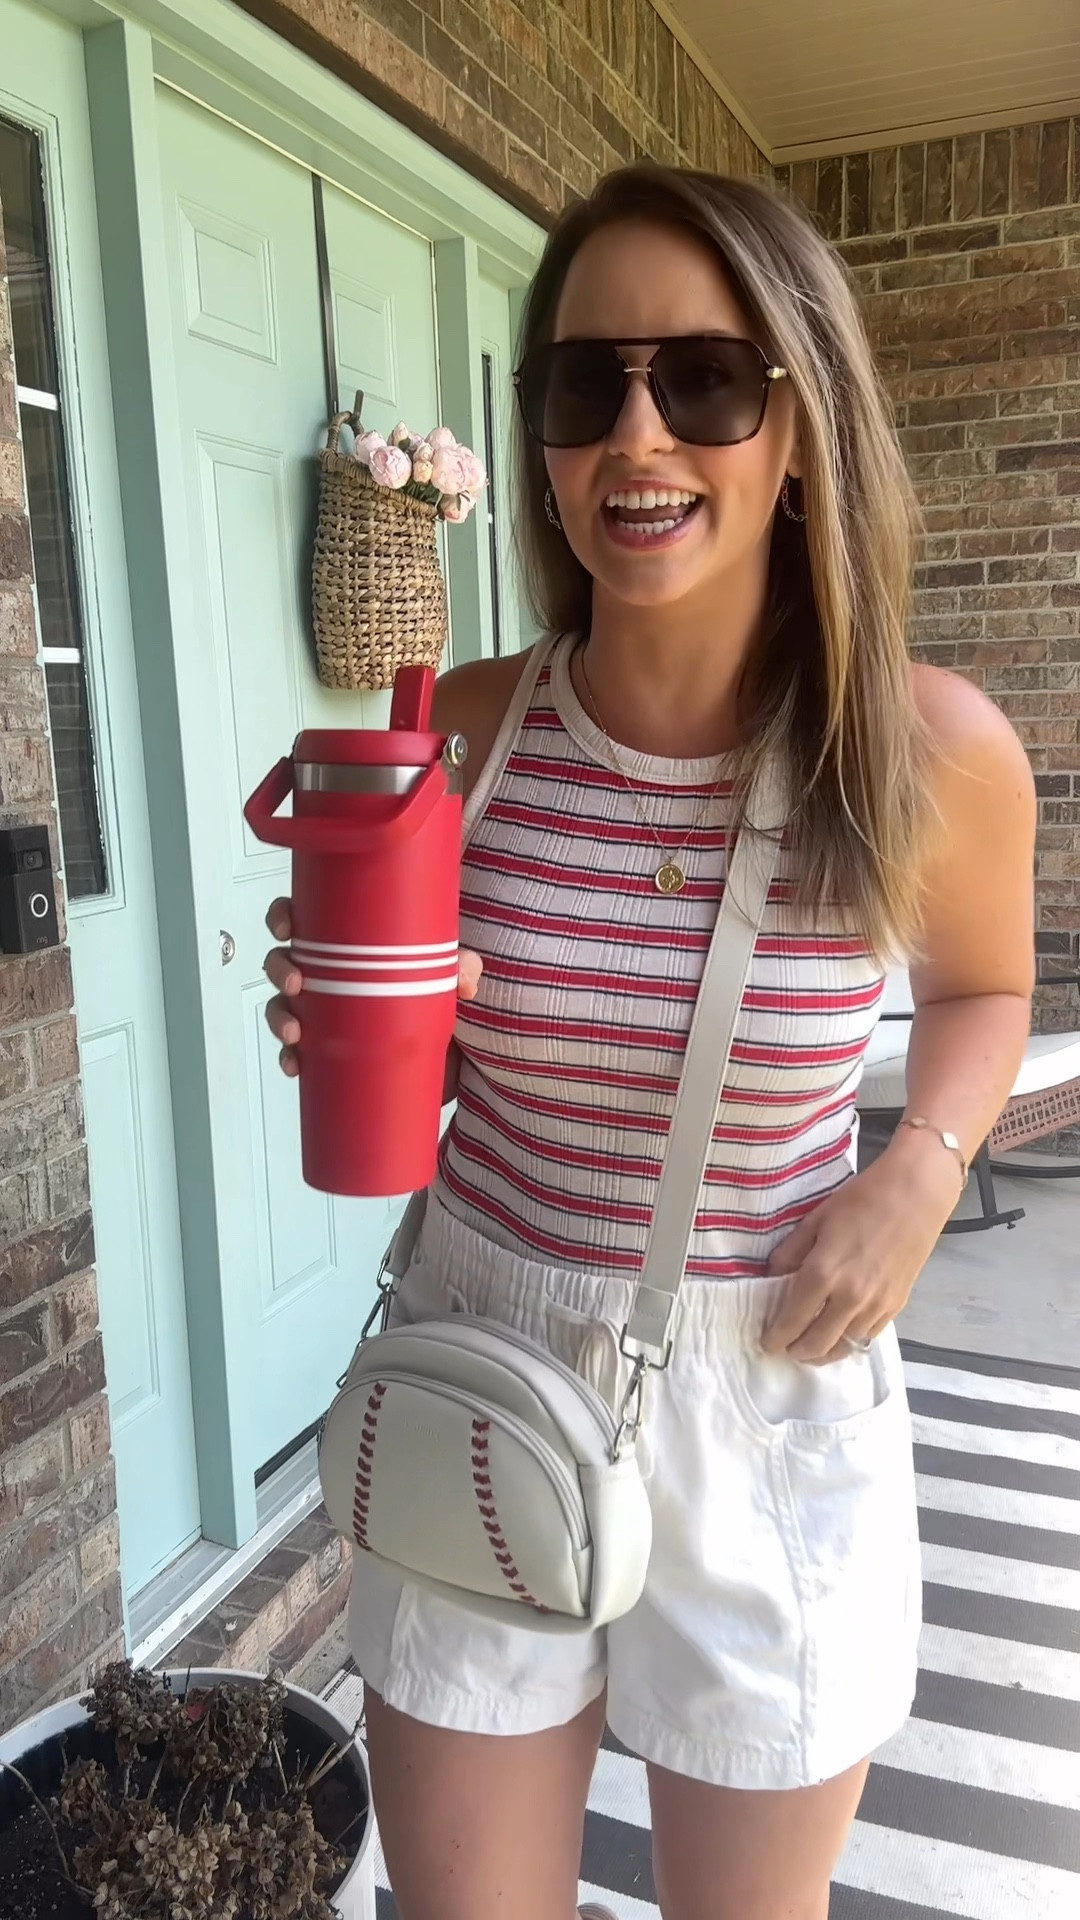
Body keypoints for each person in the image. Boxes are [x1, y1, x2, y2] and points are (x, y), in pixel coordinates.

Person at [264, 166, 1035, 1920]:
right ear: (536, 436)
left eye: (700, 379)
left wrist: (921, 1166)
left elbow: (989, 988)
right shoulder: (462, 732)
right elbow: (435, 1032)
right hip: (487, 1347)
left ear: (800, 423)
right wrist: (360, 1021)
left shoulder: (930, 751)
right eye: (579, 381)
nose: (637, 432)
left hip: (769, 1384)